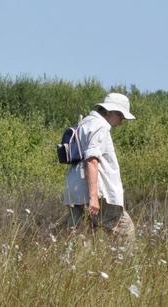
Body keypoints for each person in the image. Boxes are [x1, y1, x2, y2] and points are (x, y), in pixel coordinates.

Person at [62, 93, 137, 243]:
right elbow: (91, 160)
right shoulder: (101, 127)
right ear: (110, 112)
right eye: (120, 116)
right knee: (126, 233)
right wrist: (94, 197)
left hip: (76, 191)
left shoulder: (85, 123)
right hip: (98, 194)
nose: (121, 121)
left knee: (82, 238)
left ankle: (79, 265)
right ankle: (125, 266)